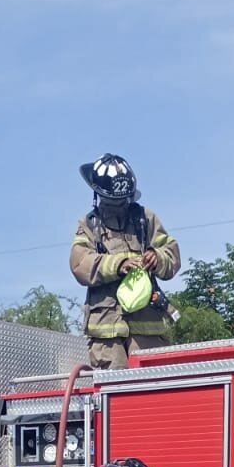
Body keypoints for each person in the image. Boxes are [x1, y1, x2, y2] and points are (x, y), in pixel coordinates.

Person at [70, 154, 181, 369]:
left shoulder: (146, 219)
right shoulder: (89, 225)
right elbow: (79, 263)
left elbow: (172, 253)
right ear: (99, 194)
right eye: (112, 201)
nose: (119, 206)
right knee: (115, 393)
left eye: (122, 200)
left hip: (148, 329)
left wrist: (157, 258)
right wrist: (118, 265)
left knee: (151, 389)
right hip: (107, 332)